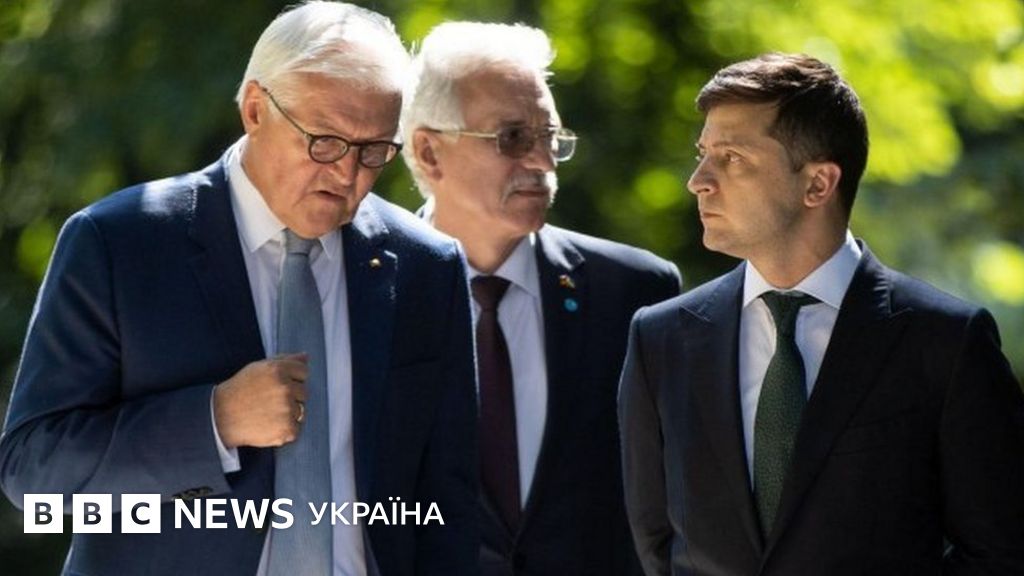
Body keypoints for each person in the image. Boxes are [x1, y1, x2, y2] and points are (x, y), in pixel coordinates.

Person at [0, 2, 478, 575]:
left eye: (373, 151)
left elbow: (451, 503)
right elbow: (34, 476)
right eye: (324, 141)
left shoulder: (428, 265)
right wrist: (214, 421)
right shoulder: (118, 243)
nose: (347, 174)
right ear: (255, 109)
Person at [619, 52, 1024, 576]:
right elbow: (657, 546)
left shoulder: (946, 342)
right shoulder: (660, 339)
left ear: (818, 184)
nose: (698, 180)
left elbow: (1001, 552)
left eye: (732, 157)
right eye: (703, 154)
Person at [400, 21, 681, 576]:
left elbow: (674, 499)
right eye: (512, 138)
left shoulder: (634, 292)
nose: (543, 163)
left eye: (549, 137)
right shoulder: (366, 290)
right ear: (430, 152)